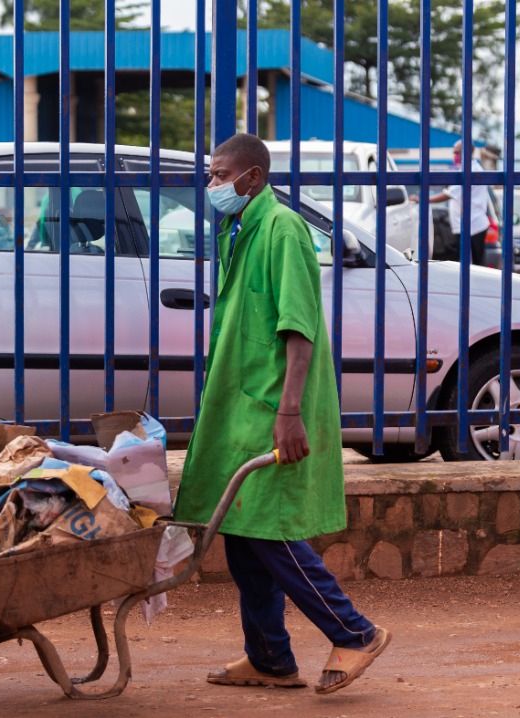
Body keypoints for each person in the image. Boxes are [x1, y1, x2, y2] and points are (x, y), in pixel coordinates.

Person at [173, 133, 390, 696]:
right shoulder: (238, 230)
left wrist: (290, 411)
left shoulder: (283, 230)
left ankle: (355, 632)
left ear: (254, 177)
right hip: (242, 405)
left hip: (274, 404)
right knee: (241, 531)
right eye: (211, 175)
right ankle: (269, 657)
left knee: (268, 532)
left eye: (221, 175)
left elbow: (299, 327)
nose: (212, 184)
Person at [429, 140, 490, 266]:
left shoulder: (471, 171)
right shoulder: (468, 169)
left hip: (472, 225)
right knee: (470, 265)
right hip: (469, 225)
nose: (454, 155)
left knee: (473, 266)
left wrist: (424, 200)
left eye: (457, 152)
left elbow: (449, 194)